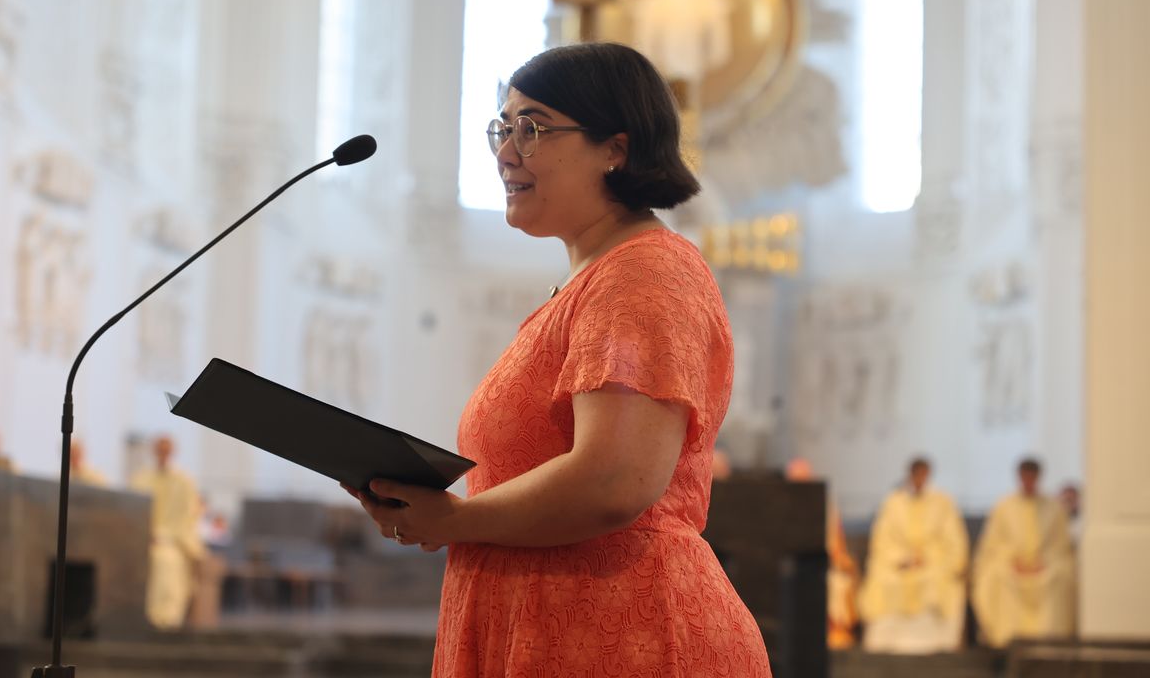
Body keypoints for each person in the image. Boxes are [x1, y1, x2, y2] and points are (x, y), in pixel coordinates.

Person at [344, 43, 770, 676]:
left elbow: (614, 481)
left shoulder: (645, 273)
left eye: (532, 128)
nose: (505, 152)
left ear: (615, 148)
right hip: (550, 623)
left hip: (622, 635)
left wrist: (454, 518)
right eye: (503, 128)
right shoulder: (593, 282)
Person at [858, 457, 969, 653]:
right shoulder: (893, 502)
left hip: (933, 562)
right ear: (909, 475)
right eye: (915, 474)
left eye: (923, 474)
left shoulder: (943, 502)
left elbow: (953, 541)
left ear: (928, 475)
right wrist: (903, 559)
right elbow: (882, 541)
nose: (919, 479)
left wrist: (927, 558)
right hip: (900, 563)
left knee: (938, 580)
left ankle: (936, 641)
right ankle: (888, 641)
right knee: (884, 578)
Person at [972, 458, 1076, 647]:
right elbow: (993, 545)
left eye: (1032, 477)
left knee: (1062, 574)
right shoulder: (1004, 506)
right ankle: (1006, 640)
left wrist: (1043, 563)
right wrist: (1012, 561)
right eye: (1025, 477)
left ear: (1038, 477)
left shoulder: (1054, 507)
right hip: (1013, 565)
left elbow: (1060, 546)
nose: (1028, 481)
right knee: (995, 575)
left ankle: (1049, 639)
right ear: (1019, 477)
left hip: (1044, 567)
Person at [785, 457, 861, 649]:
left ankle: (833, 632)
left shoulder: (824, 504)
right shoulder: (782, 503)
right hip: (788, 565)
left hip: (819, 562)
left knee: (836, 582)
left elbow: (834, 543)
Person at [131, 435, 205, 629]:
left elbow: (188, 515)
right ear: (154, 451)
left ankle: (167, 620)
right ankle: (147, 619)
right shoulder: (141, 479)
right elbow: (133, 512)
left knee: (166, 560)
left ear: (172, 452)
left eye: (166, 449)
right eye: (159, 449)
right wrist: (147, 535)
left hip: (174, 542)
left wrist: (166, 536)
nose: (163, 453)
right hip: (144, 540)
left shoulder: (184, 481)